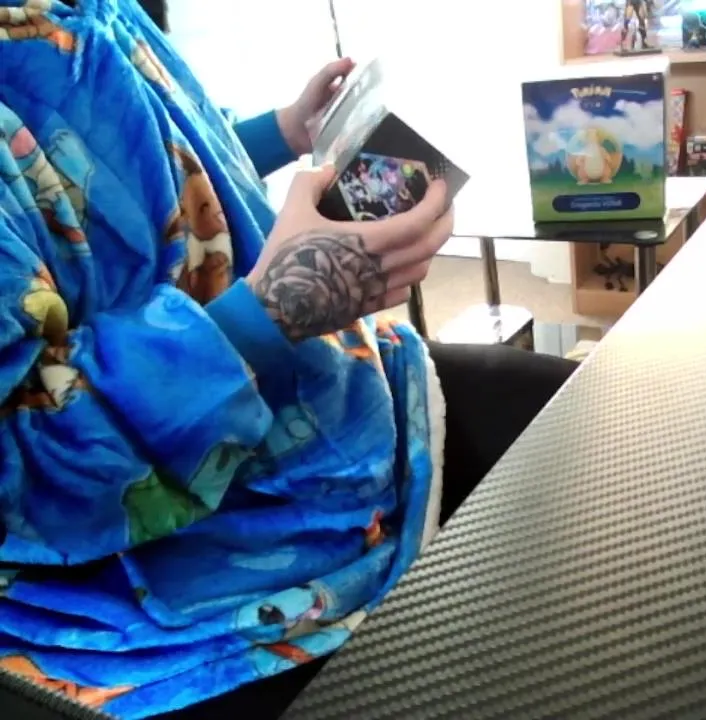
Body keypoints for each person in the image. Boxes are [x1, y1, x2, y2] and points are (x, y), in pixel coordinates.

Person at [0, 1, 576, 717]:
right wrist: (268, 312)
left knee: (595, 424)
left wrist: (283, 132)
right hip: (187, 580)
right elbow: (21, 472)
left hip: (354, 397)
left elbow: (150, 160)